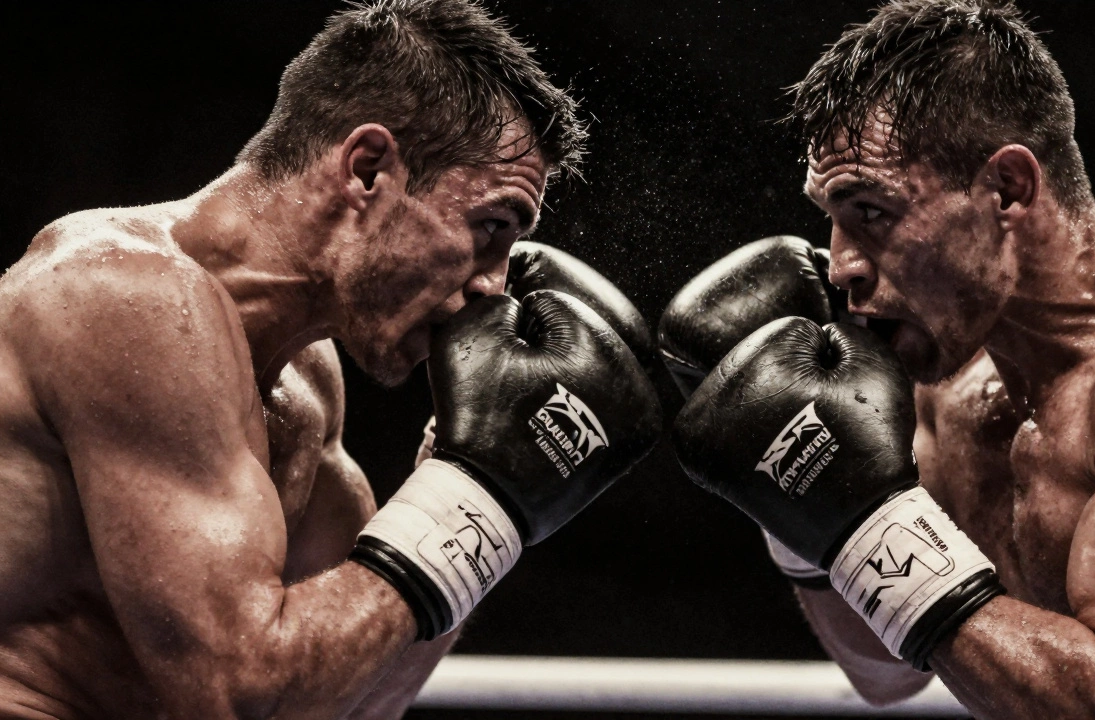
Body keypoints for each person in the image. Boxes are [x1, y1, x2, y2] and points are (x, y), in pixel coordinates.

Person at [0, 1, 662, 718]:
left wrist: (482, 484)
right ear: (369, 169)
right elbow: (238, 696)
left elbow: (351, 701)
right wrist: (477, 490)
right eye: (490, 226)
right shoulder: (121, 295)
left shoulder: (308, 382)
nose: (491, 286)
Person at [662, 1, 1095, 717]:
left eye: (871, 211)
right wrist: (796, 510)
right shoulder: (946, 382)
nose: (838, 266)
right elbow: (886, 673)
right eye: (830, 218)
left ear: (1008, 190)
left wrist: (867, 522)